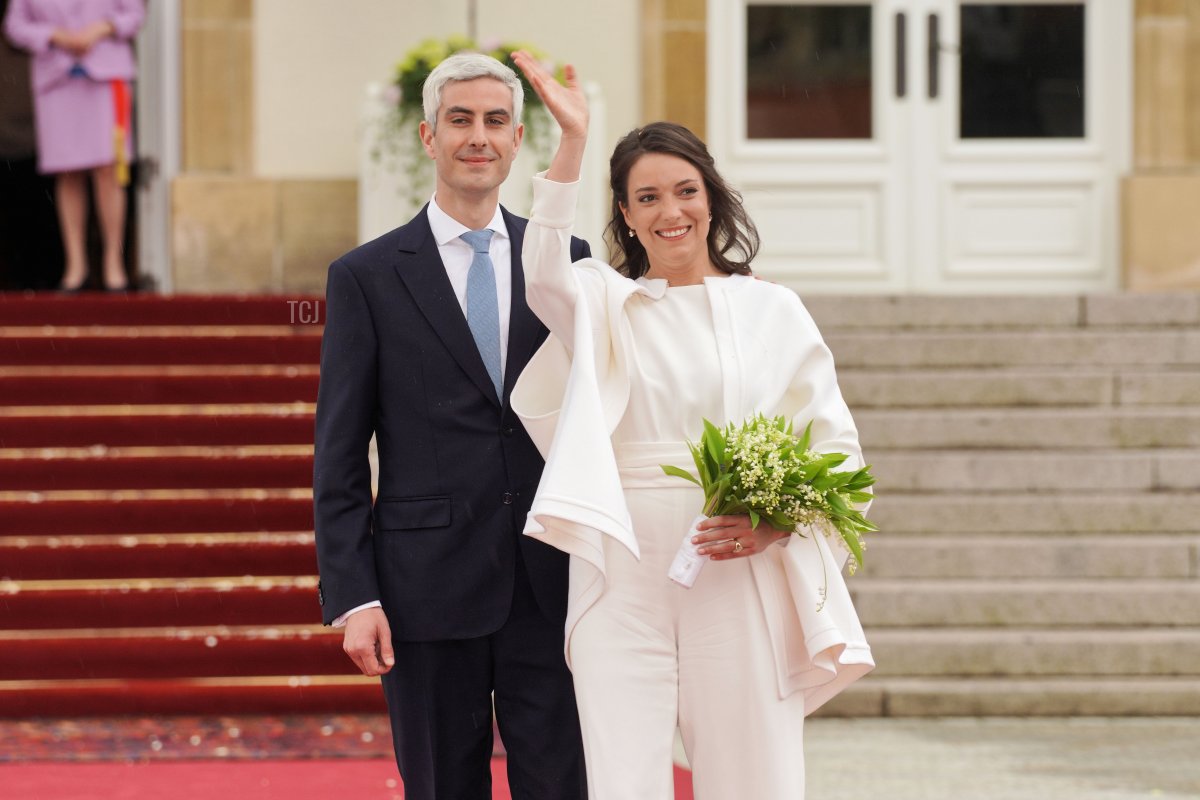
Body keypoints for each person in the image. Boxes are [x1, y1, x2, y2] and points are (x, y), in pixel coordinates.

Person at [510, 51, 875, 799]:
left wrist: (777, 523)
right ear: (626, 216)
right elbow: (541, 272)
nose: (671, 211)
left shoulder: (773, 309)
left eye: (685, 190)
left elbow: (834, 450)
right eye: (647, 198)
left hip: (736, 564)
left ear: (712, 196)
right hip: (622, 565)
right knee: (622, 772)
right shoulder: (603, 301)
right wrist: (572, 141)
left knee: (753, 771)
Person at [313, 52, 590, 800]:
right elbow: (339, 452)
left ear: (518, 137)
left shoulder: (566, 260)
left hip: (552, 584)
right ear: (428, 137)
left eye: (495, 121)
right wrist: (353, 595)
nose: (479, 136)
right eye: (460, 120)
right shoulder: (366, 277)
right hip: (424, 592)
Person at [3, 0, 143, 292]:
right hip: (56, 78)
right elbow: (14, 26)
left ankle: (114, 266)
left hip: (106, 75)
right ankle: (75, 267)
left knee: (109, 169)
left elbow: (134, 14)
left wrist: (103, 28)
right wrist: (55, 35)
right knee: (68, 171)